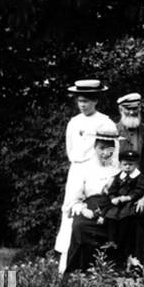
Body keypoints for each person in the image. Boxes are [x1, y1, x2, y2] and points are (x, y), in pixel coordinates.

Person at [54, 78, 111, 270]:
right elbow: (71, 150)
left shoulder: (105, 122)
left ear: (95, 101)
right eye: (80, 101)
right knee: (71, 210)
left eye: (86, 101)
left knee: (92, 216)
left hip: (98, 174)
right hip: (78, 171)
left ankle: (94, 264)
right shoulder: (73, 122)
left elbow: (112, 154)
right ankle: (67, 264)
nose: (83, 105)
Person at [61, 122, 123, 273]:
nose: (105, 153)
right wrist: (83, 210)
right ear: (95, 147)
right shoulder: (84, 168)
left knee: (124, 227)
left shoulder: (120, 168)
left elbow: (141, 188)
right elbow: (74, 200)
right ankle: (79, 274)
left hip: (113, 210)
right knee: (80, 227)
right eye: (101, 148)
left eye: (109, 149)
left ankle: (114, 272)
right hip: (89, 208)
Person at [102, 147, 144, 266]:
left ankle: (123, 241)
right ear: (120, 164)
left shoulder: (139, 177)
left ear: (136, 165)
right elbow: (112, 189)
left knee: (126, 216)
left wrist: (128, 197)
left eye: (131, 164)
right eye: (125, 164)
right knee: (111, 214)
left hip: (129, 201)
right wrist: (113, 198)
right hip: (118, 202)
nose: (128, 167)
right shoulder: (119, 176)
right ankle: (112, 239)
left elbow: (140, 190)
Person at [114, 92, 144, 206]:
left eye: (135, 108)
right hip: (117, 191)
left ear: (139, 108)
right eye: (127, 109)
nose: (131, 112)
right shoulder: (112, 132)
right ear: (120, 109)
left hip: (143, 191)